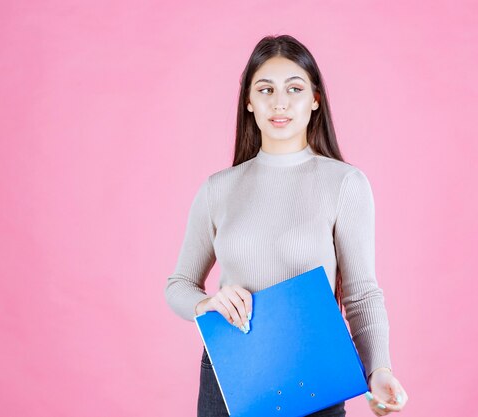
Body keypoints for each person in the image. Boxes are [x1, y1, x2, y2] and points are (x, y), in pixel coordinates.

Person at [164, 34, 409, 417]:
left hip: (312, 375)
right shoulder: (219, 189)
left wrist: (379, 370)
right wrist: (207, 303)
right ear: (249, 101)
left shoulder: (344, 184)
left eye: (294, 88)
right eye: (265, 89)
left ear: (315, 100)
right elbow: (178, 285)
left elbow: (361, 295)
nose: (279, 102)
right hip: (230, 375)